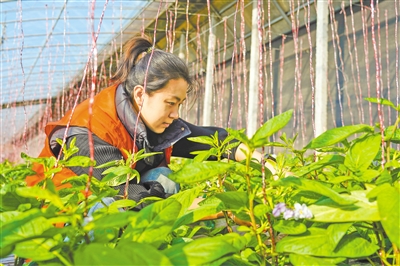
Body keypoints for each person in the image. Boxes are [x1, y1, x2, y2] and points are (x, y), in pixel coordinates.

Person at [26, 34, 275, 210]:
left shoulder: (149, 122)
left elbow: (213, 141)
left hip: (107, 204)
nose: (176, 114)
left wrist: (265, 163)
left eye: (180, 104)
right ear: (139, 94)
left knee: (160, 175)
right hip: (58, 220)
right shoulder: (88, 129)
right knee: (109, 207)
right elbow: (125, 192)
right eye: (170, 102)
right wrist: (202, 208)